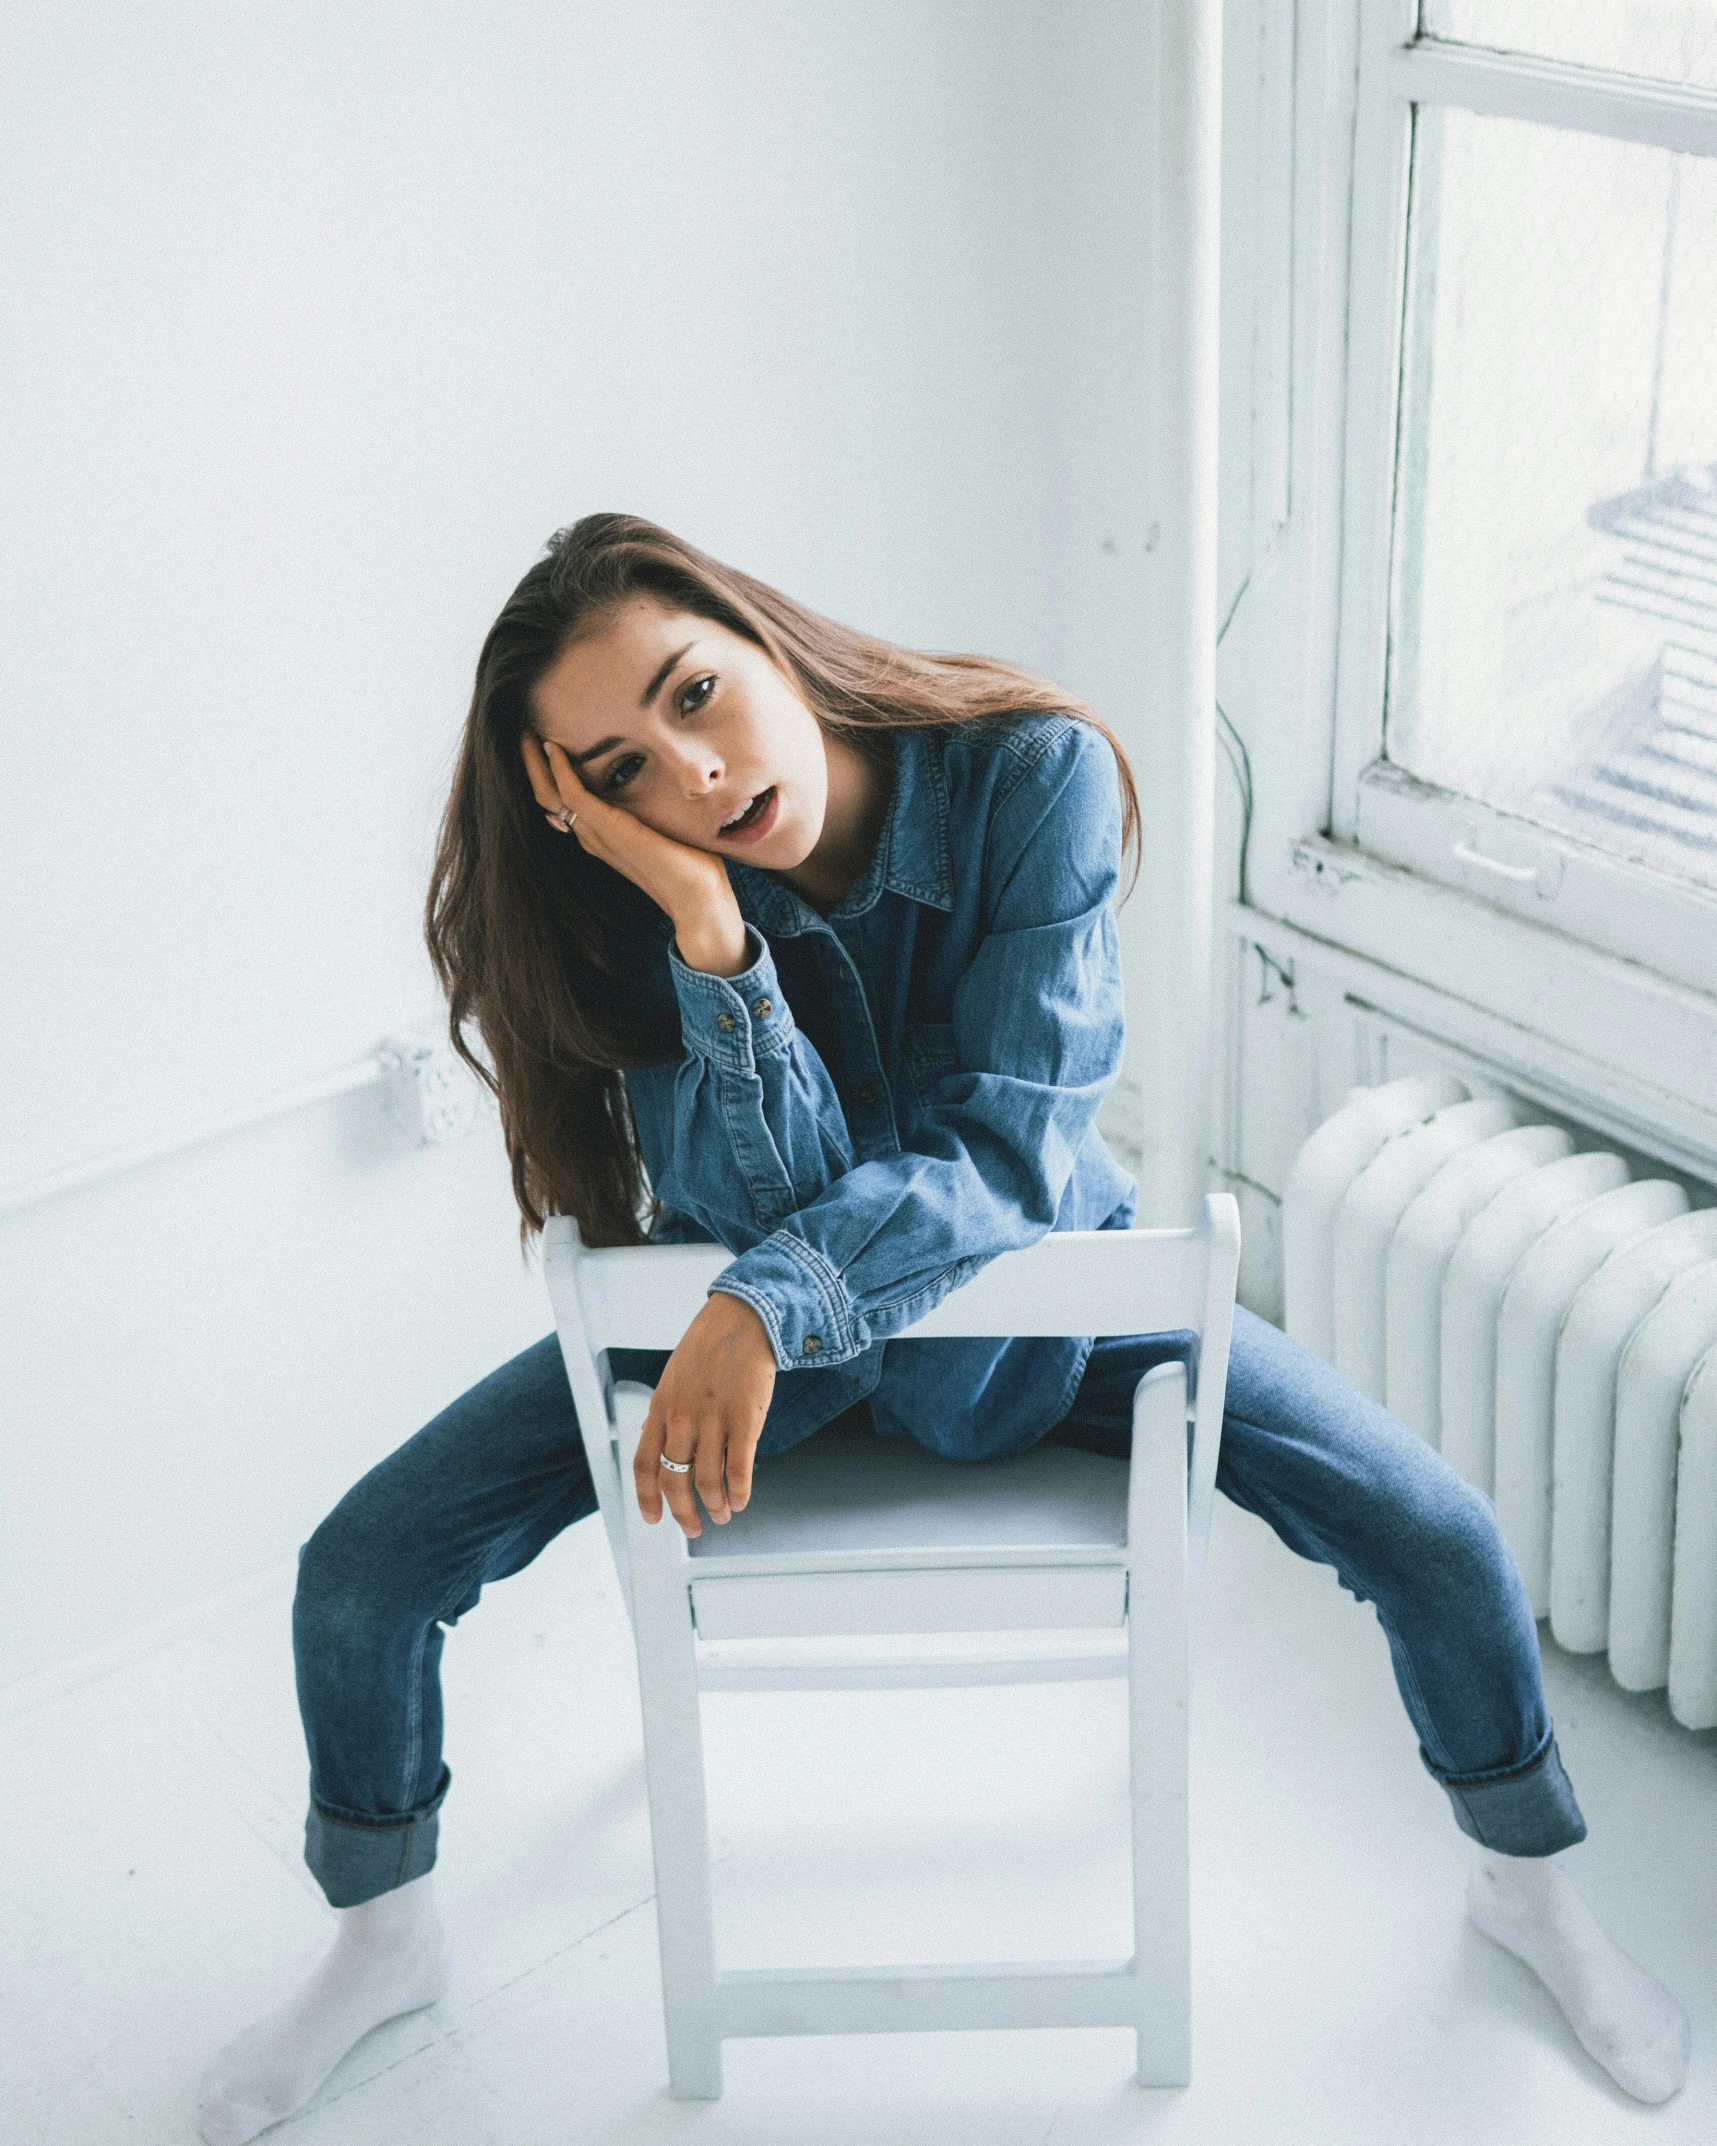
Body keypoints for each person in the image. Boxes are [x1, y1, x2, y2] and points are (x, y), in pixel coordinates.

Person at [197, 515, 1689, 2143]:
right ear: (581, 813)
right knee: (360, 1564)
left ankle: (1526, 1890)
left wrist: (766, 1298)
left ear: (770, 637)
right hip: (778, 1373)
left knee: (1439, 1529)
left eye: (700, 693)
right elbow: (758, 1202)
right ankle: (381, 1934)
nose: (692, 774)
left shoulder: (1024, 775)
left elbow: (1009, 1150)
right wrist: (711, 937)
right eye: (621, 771)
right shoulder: (634, 912)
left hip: (1051, 1318)